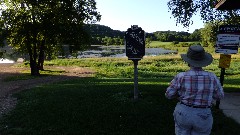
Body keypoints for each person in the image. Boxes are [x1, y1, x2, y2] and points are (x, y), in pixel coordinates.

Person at [165, 45, 224, 135]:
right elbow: (219, 96)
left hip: (183, 112)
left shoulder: (181, 76)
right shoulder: (212, 77)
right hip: (203, 114)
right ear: (203, 60)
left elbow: (169, 95)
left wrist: (179, 95)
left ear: (188, 61)